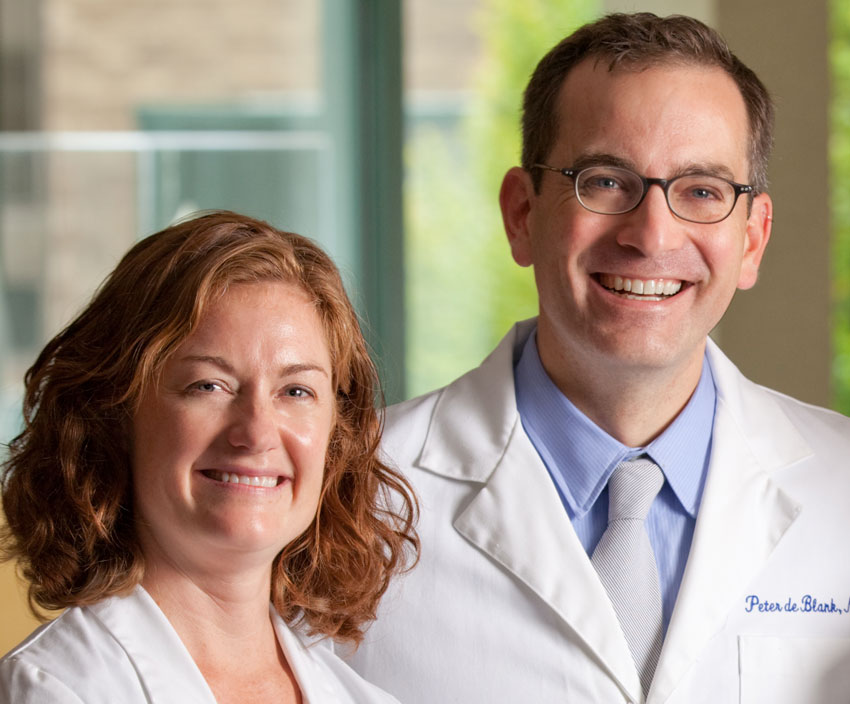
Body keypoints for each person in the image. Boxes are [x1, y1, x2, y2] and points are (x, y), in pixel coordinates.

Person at [349, 12, 850, 704]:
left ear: (753, 240)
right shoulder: (353, 497)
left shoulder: (842, 493)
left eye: (702, 191)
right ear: (522, 214)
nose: (651, 235)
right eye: (607, 181)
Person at [0, 211, 418, 703]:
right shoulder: (56, 688)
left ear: (337, 436)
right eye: (208, 385)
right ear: (112, 415)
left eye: (296, 391)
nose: (257, 431)